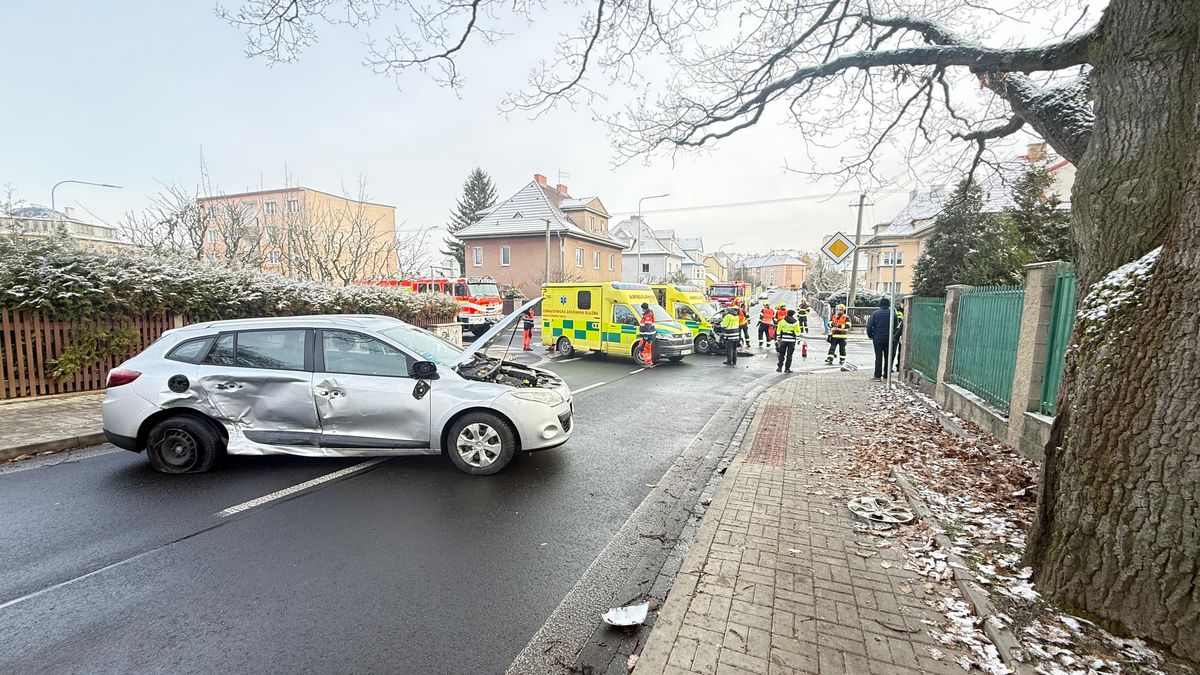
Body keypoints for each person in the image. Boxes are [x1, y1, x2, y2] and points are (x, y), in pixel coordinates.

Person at [866, 298, 899, 380]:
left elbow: (869, 326)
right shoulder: (893, 314)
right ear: (889, 305)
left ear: (880, 304)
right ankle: (886, 375)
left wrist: (870, 335)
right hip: (889, 339)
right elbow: (896, 326)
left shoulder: (875, 314)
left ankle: (877, 376)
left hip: (878, 338)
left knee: (878, 357)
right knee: (888, 357)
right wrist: (894, 336)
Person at [775, 309, 801, 373]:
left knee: (781, 354)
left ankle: (779, 368)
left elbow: (778, 331)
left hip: (783, 340)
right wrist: (798, 339)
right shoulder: (796, 322)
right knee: (789, 355)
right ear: (792, 314)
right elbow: (797, 332)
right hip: (791, 341)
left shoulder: (782, 322)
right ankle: (787, 369)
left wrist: (778, 338)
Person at [638, 302, 656, 366]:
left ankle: (648, 362)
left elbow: (647, 326)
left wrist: (646, 336)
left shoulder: (648, 315)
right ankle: (647, 361)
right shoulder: (647, 314)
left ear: (644, 308)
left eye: (642, 308)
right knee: (642, 347)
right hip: (647, 335)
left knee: (646, 349)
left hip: (648, 335)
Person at [892, 306, 905, 373]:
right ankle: (892, 367)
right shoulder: (897, 311)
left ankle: (898, 366)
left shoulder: (905, 310)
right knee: (893, 352)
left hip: (901, 334)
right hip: (897, 333)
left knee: (900, 352)